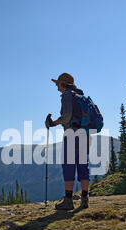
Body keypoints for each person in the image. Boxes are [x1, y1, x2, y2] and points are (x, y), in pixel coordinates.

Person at [46, 73, 90, 210]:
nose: (56, 87)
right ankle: (85, 199)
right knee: (83, 165)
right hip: (85, 134)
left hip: (71, 133)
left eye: (57, 84)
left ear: (62, 84)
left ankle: (68, 201)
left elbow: (66, 117)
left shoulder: (66, 95)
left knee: (69, 165)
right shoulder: (80, 95)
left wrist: (53, 123)